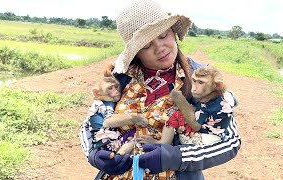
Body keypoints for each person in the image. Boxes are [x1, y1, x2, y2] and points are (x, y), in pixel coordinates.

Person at [79, 0, 241, 179]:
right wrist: (94, 154)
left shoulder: (201, 80)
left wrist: (175, 157)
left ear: (173, 32)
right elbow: (88, 127)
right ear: (136, 52)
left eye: (163, 35)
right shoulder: (120, 79)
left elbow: (230, 142)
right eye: (146, 45)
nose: (160, 48)